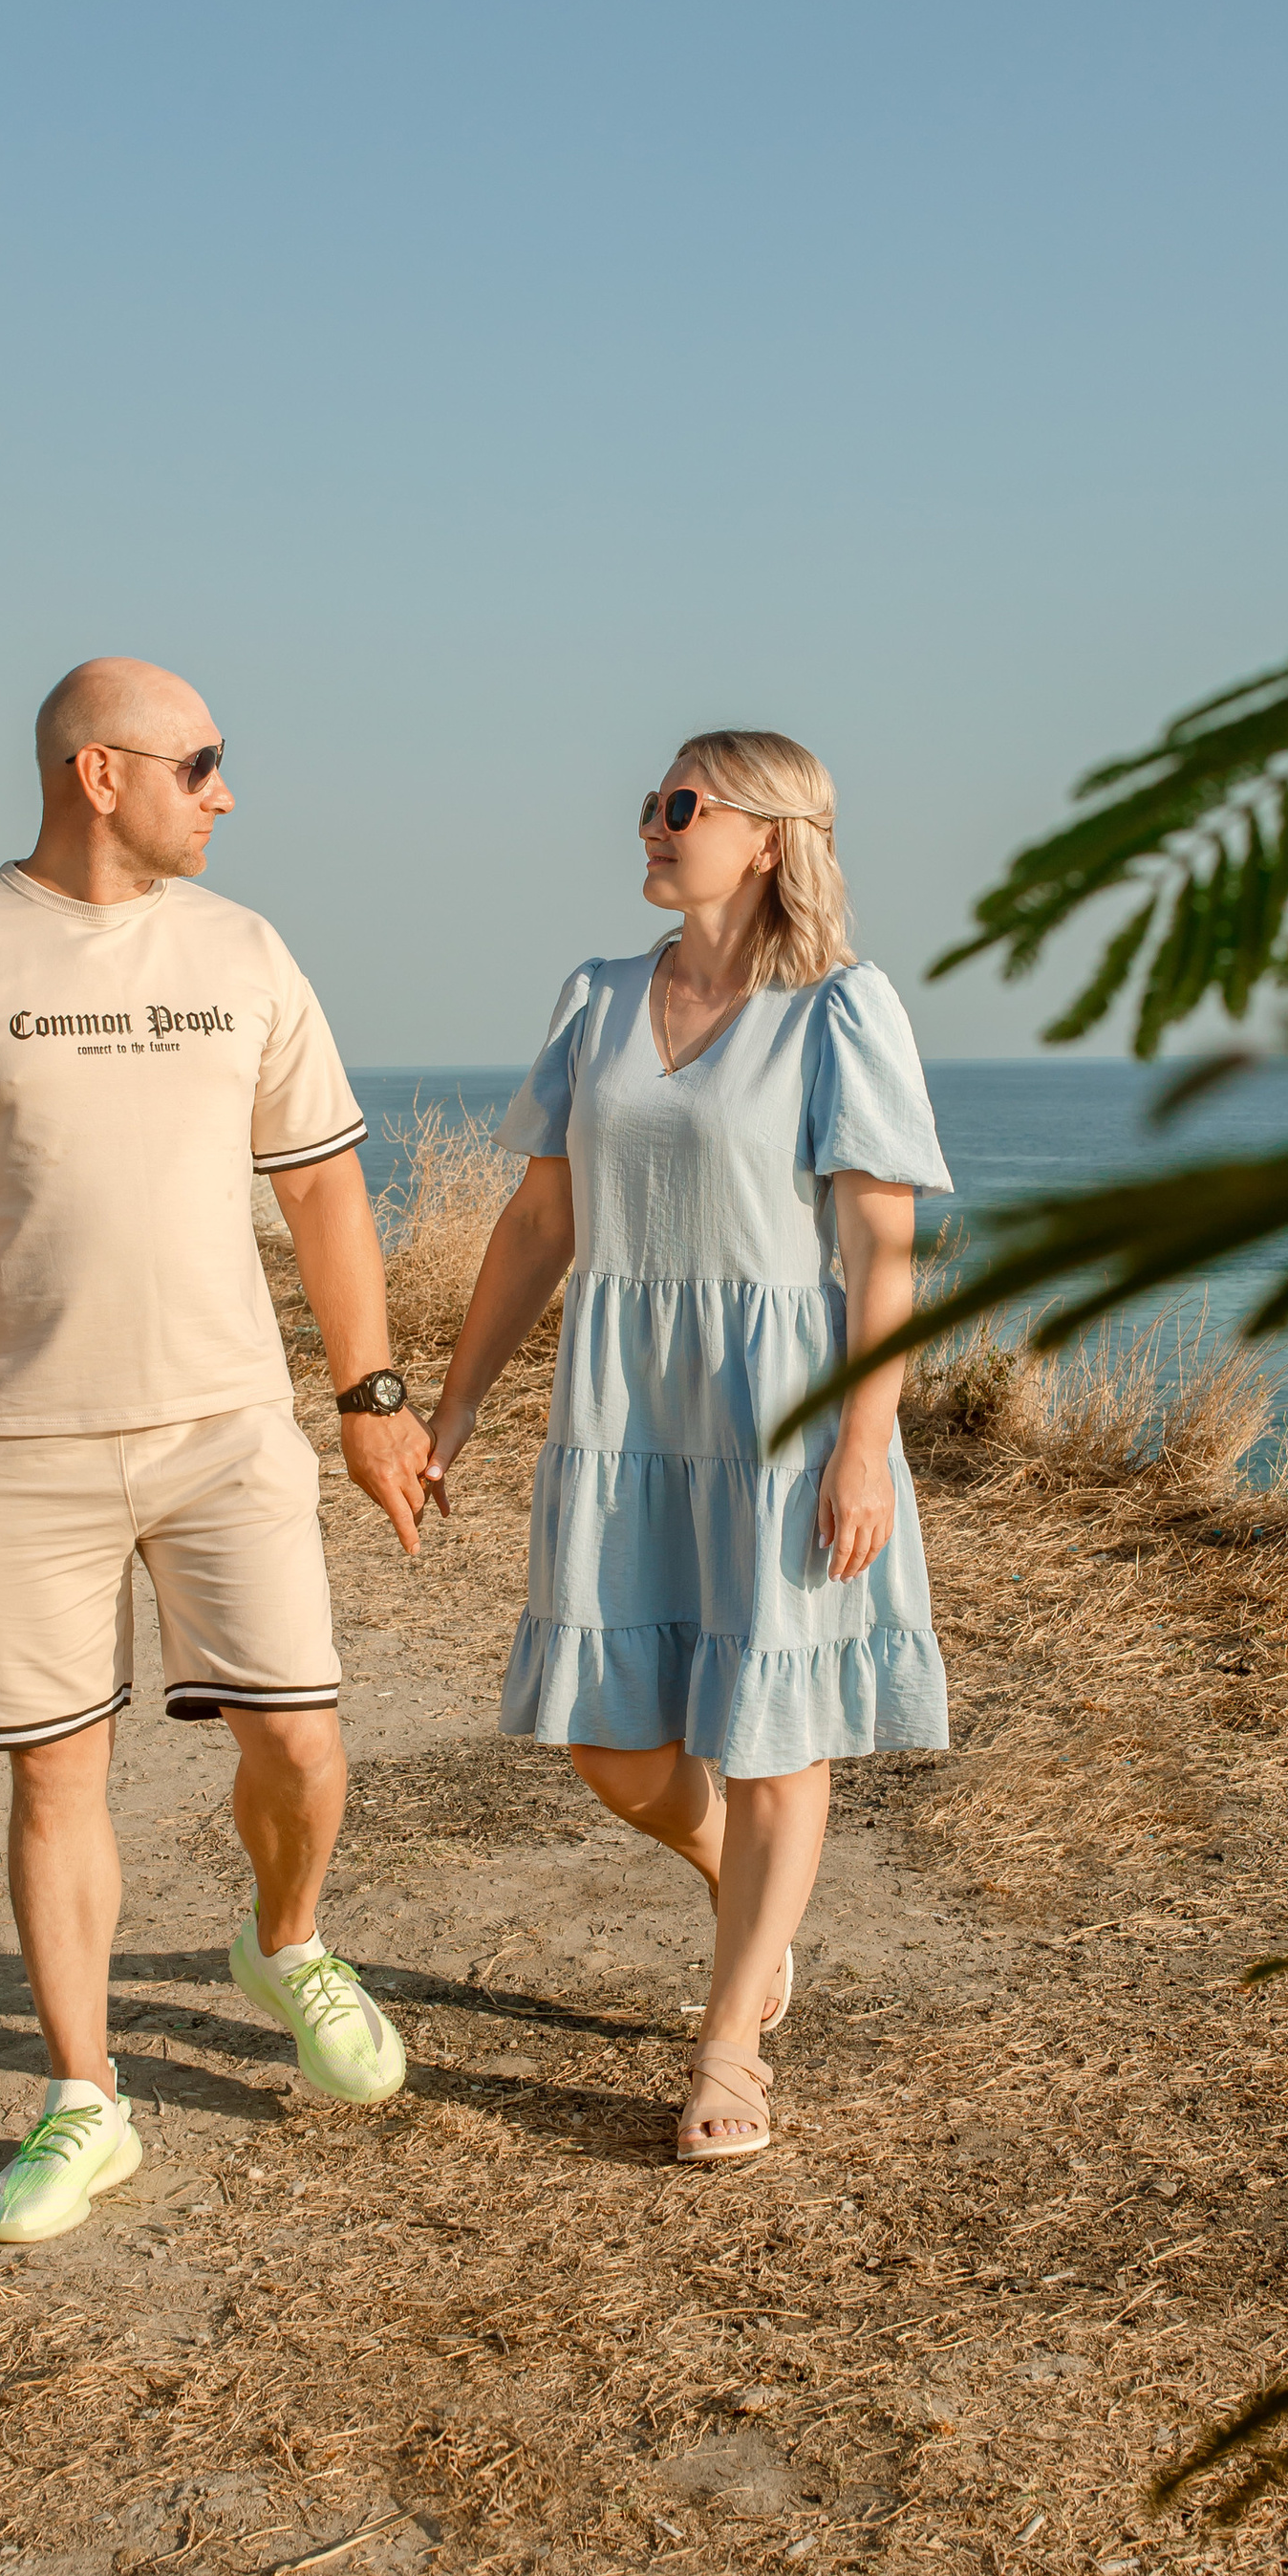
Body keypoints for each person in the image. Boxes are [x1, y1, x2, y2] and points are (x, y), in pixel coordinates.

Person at [0, 658, 434, 2244]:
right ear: (101, 774)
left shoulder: (245, 950)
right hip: (17, 1446)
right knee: (54, 1779)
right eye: (201, 763)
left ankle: (285, 1943)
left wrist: (371, 1401)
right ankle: (87, 2100)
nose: (226, 792)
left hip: (229, 1431)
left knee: (302, 1746)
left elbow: (326, 1191)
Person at [421, 727, 951, 2167]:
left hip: (781, 1406)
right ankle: (746, 1898)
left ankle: (729, 2044)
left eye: (680, 806)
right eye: (654, 805)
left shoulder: (841, 1010)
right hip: (624, 1408)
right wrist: (455, 1408)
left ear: (768, 837)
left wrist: (861, 1446)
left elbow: (880, 1255)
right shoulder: (595, 1002)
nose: (650, 826)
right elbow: (541, 1224)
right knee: (608, 1739)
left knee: (779, 1735)